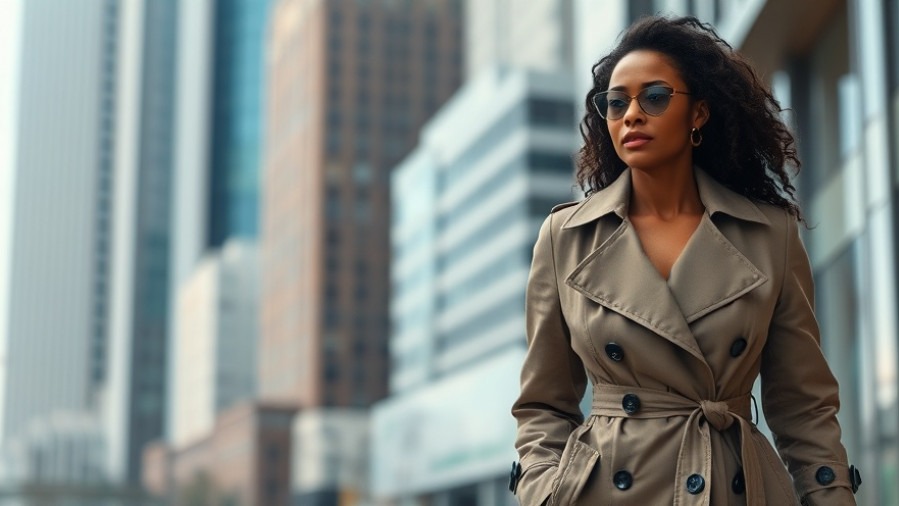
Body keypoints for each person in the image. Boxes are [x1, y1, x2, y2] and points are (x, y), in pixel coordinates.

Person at [509, 15, 862, 506]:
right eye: (616, 102)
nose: (631, 114)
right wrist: (545, 489)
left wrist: (831, 495)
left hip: (731, 485)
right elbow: (543, 402)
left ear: (698, 113)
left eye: (653, 97)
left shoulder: (769, 234)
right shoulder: (566, 236)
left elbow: (804, 406)